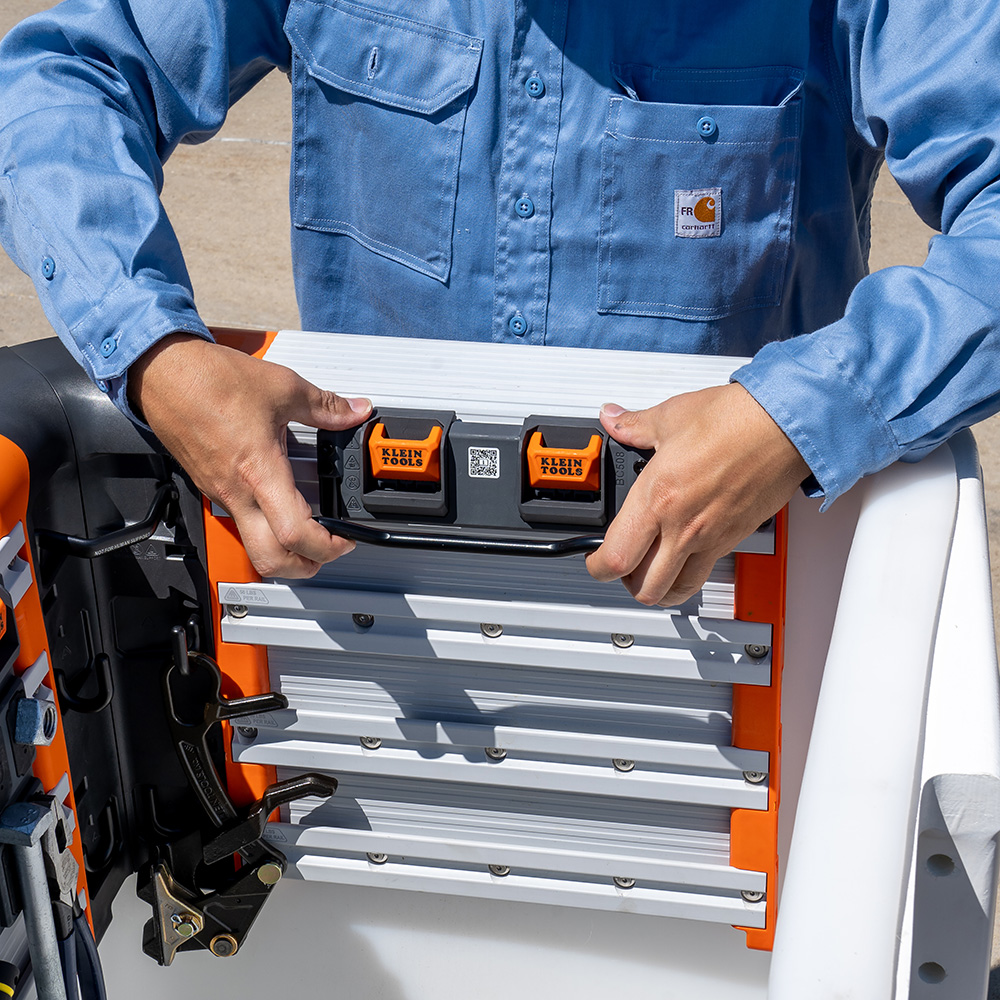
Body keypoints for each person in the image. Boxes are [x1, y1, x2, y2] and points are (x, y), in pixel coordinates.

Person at [1, 0, 997, 605]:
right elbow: (62, 80)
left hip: (736, 602)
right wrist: (157, 352)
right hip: (362, 599)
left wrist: (794, 416)